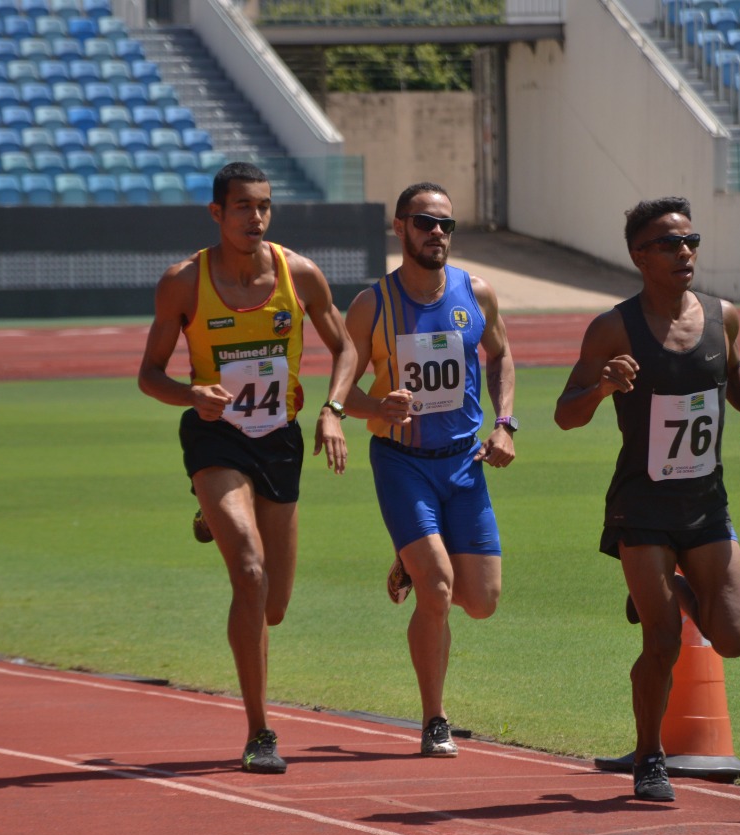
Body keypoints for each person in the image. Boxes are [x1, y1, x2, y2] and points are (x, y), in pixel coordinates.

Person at [553, 196, 740, 802]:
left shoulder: (720, 315)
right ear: (638, 256)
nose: (685, 252)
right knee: (663, 641)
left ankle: (669, 590)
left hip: (706, 504)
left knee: (734, 639)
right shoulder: (613, 328)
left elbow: (733, 372)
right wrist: (602, 388)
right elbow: (565, 414)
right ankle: (650, 756)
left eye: (690, 241)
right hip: (643, 506)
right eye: (669, 244)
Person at [137, 162, 356, 775]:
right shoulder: (183, 282)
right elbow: (149, 374)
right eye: (242, 207)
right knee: (251, 572)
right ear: (217, 213)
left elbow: (346, 347)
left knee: (275, 606)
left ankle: (215, 517)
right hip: (216, 437)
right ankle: (261, 730)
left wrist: (334, 409)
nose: (255, 217)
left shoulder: (300, 275)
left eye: (263, 206)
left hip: (279, 439)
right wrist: (192, 395)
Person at [341, 182, 516, 757]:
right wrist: (373, 406)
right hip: (402, 462)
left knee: (482, 602)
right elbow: (343, 394)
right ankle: (434, 719)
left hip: (464, 464)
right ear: (400, 228)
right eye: (424, 222)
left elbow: (501, 353)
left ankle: (412, 556)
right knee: (437, 591)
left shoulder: (476, 292)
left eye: (445, 224)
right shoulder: (374, 304)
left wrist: (505, 423)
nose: (436, 232)